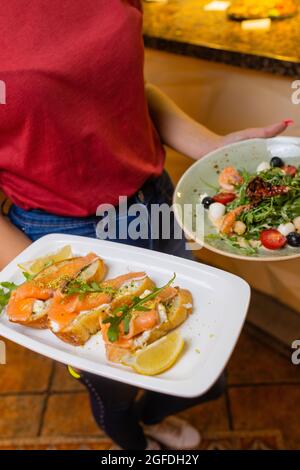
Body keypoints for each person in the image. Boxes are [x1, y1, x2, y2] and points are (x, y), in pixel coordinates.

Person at [0, 0, 290, 450]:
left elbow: (130, 88)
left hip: (154, 201)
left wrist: (212, 146)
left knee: (197, 359)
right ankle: (133, 444)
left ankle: (153, 418)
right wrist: (41, 277)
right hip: (65, 235)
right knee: (112, 385)